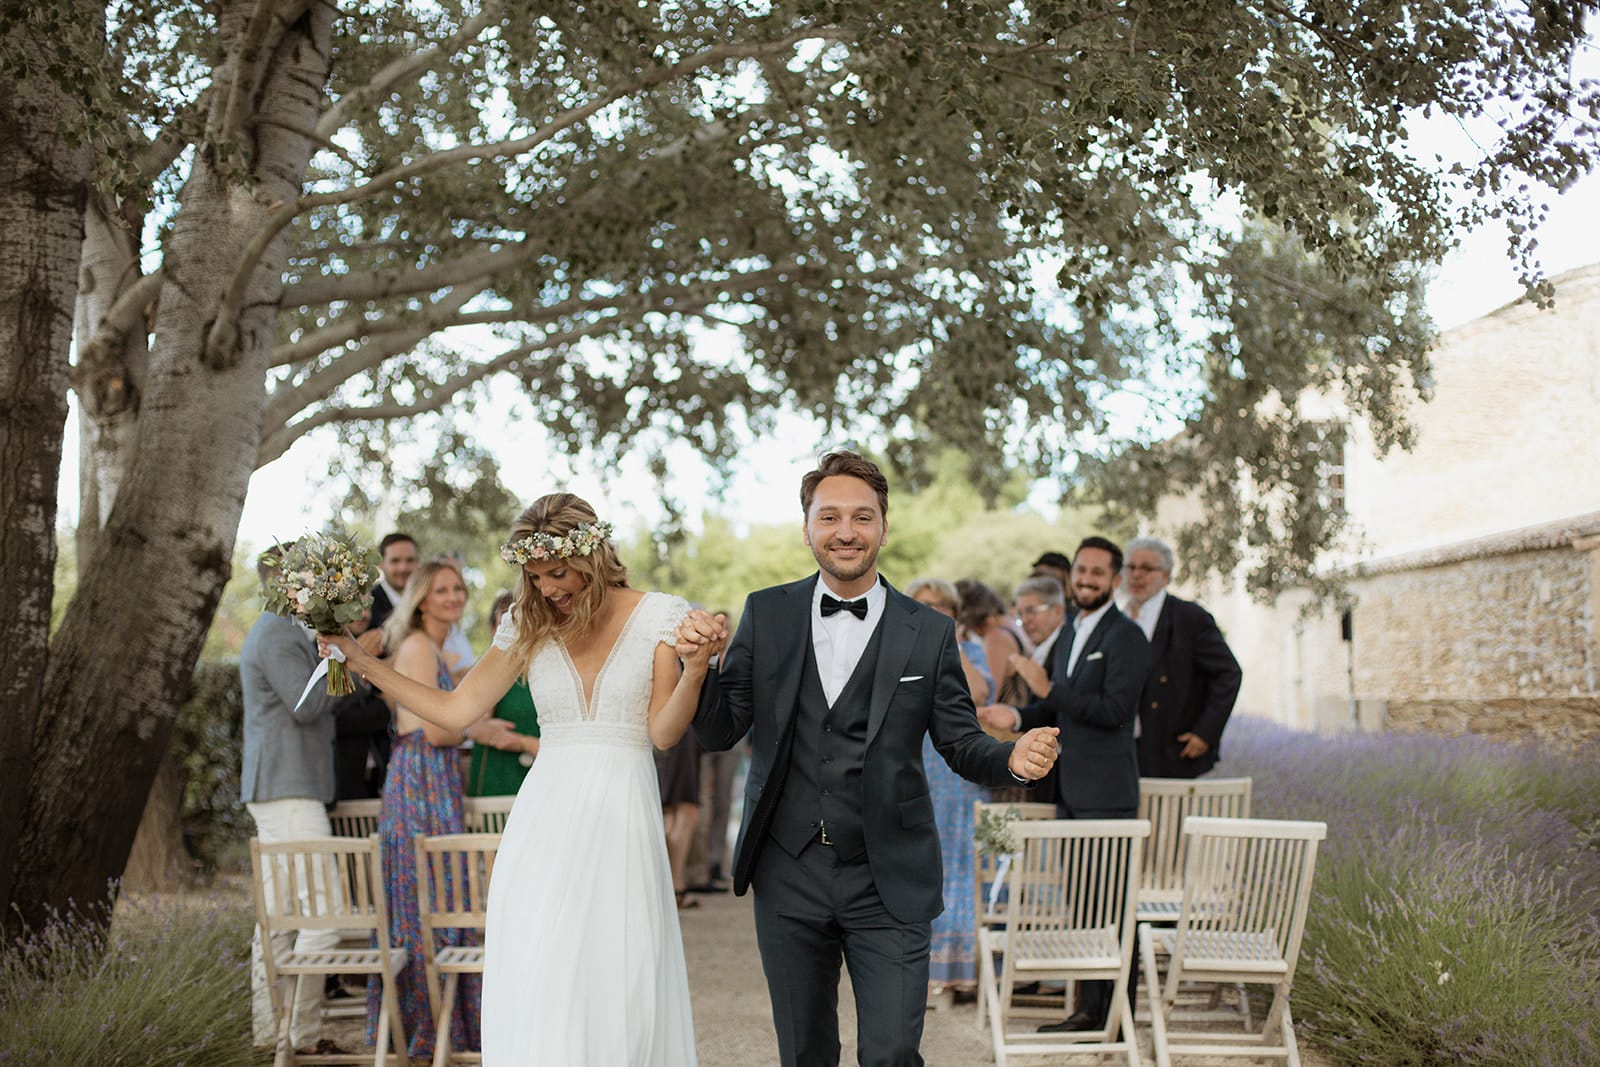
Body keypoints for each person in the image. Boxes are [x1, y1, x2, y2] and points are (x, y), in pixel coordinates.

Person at [674, 449, 1061, 1067]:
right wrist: (696, 669)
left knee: (891, 1053)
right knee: (805, 1053)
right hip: (788, 869)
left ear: (884, 525)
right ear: (808, 528)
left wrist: (1014, 759)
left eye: (861, 516)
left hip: (891, 875)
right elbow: (720, 731)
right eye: (829, 517)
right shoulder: (766, 613)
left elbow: (960, 743)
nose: (846, 531)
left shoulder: (928, 631)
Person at [323, 493, 712, 1065]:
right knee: (545, 969)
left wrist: (696, 670)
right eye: (535, 575)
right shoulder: (525, 623)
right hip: (544, 823)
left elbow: (663, 734)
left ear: (594, 555)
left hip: (620, 818)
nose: (549, 587)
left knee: (619, 975)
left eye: (558, 572)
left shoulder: (659, 614)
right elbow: (455, 711)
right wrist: (360, 660)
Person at [979, 536, 1151, 1034]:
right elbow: (1054, 709)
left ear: (1115, 581)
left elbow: (1115, 712)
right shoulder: (1073, 632)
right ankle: (1088, 1010)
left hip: (1109, 793)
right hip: (1069, 792)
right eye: (1081, 571)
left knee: (1113, 906)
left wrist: (1048, 688)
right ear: (1072, 576)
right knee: (1082, 906)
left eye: (1098, 572)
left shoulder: (1127, 637)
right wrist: (1014, 713)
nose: (1087, 579)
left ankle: (1118, 1019)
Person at [367, 557, 480, 1059]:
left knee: (437, 892)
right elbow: (438, 728)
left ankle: (441, 1027)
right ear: (421, 599)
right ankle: (428, 1030)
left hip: (428, 774)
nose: (453, 597)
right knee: (425, 896)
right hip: (422, 778)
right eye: (442, 590)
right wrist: (472, 726)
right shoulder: (417, 647)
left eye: (458, 589)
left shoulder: (431, 647)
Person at [239, 548, 342, 1052]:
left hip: (286, 788)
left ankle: (271, 1037)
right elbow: (306, 706)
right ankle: (297, 1037)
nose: (315, 586)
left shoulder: (284, 628)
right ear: (281, 582)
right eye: (307, 578)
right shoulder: (278, 631)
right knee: (325, 915)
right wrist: (344, 659)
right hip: (288, 789)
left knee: (278, 919)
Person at [906, 577, 993, 1004]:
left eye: (943, 604)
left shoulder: (970, 650)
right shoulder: (900, 648)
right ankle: (923, 972)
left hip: (961, 778)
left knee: (963, 871)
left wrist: (949, 642)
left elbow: (978, 692)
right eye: (924, 604)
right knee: (922, 867)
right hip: (917, 771)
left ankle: (962, 973)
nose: (934, 609)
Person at [1122, 536, 1243, 778]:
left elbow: (1229, 673)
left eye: (1147, 568)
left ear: (1165, 576)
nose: (1137, 575)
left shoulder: (1190, 618)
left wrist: (1205, 733)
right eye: (1131, 567)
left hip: (1171, 751)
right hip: (1123, 751)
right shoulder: (1118, 618)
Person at [465, 591, 540, 796]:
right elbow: (471, 721)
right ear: (493, 629)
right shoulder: (487, 669)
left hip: (538, 771)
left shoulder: (544, 668)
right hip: (496, 770)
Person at [330, 605, 392, 800]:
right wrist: (384, 707)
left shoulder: (380, 650)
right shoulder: (322, 651)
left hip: (377, 781)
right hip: (341, 781)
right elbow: (334, 715)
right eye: (354, 606)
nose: (364, 614)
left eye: (368, 606)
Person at [369, 532, 419, 634]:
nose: (403, 568)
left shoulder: (425, 600)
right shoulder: (368, 605)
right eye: (395, 561)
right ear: (381, 564)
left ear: (417, 563)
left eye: (410, 560)